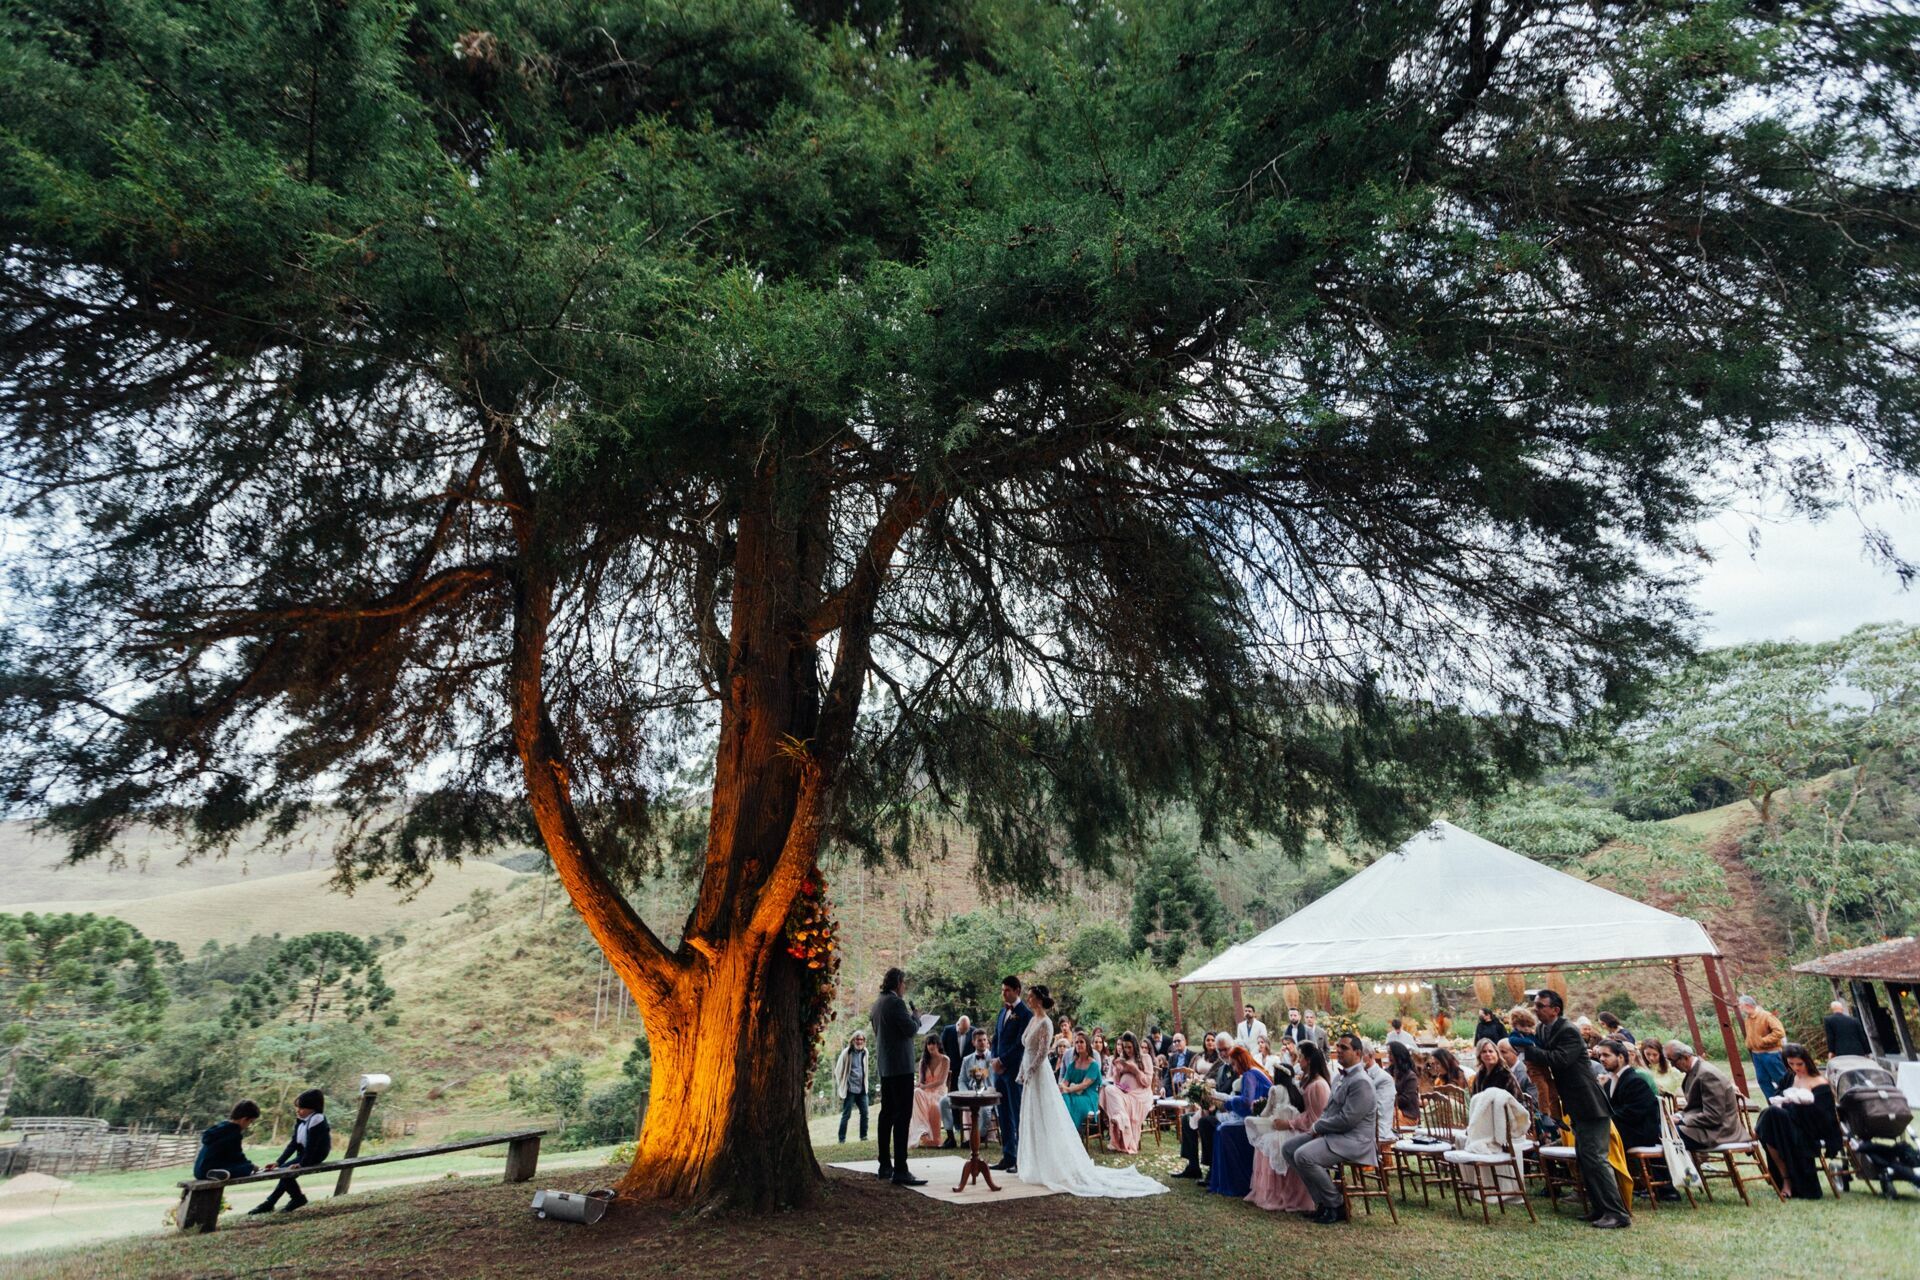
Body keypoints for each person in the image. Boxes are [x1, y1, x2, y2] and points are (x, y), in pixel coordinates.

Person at [1006, 984, 1168, 1198]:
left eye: (1031, 996)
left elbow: (1042, 1052)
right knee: (1031, 1114)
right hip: (1028, 1071)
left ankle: (1052, 1164)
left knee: (1044, 1113)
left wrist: (1030, 1071)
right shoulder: (1031, 1020)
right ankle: (1032, 1163)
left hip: (1038, 1073)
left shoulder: (1046, 1022)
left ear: (1039, 999)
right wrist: (1022, 1071)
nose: (1028, 999)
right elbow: (1026, 1048)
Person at [1523, 989, 1631, 1229]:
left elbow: (1559, 1059)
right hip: (1573, 1103)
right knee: (1584, 1158)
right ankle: (1599, 1208)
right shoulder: (1542, 1030)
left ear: (1555, 1010)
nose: (1536, 1010)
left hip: (1589, 1102)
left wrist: (1528, 1048)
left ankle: (1617, 1212)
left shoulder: (1568, 1030)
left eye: (1540, 1006)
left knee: (1596, 1159)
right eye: (1535, 1005)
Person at [1281, 1034, 1380, 1225]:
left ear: (1358, 1053)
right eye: (1338, 1047)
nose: (1339, 1051)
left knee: (1303, 1155)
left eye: (1344, 1048)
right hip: (1334, 1134)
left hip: (1355, 1140)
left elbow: (1348, 1120)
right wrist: (1319, 1127)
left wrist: (1318, 1126)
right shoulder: (1339, 1077)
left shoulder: (1361, 1081)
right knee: (1289, 1148)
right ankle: (1322, 1203)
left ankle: (1336, 1204)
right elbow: (1328, 1110)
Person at [1755, 1042, 1844, 1199]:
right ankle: (1786, 1179)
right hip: (1787, 1125)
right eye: (1791, 1064)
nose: (1796, 1068)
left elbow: (1824, 1118)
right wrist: (1785, 1102)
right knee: (1772, 1120)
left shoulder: (1819, 1083)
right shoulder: (1789, 1077)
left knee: (1772, 1117)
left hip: (1810, 1129)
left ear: (1807, 1061)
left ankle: (1755, 1133)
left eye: (1799, 1064)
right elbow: (1776, 1097)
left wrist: (1794, 1105)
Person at [1247, 1046, 1330, 1212]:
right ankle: (1280, 1193)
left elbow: (1314, 1119)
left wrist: (1288, 1124)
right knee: (1270, 1143)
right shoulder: (1307, 1082)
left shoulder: (1318, 1085)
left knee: (1283, 1146)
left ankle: (1291, 1195)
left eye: (1301, 1057)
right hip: (1304, 1128)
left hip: (1315, 1133)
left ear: (1309, 1061)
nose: (1298, 1061)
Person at [869, 966, 925, 1186]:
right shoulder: (896, 1003)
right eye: (904, 983)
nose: (905, 988)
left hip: (886, 1067)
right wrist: (917, 1018)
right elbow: (910, 1029)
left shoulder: (877, 1004)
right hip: (901, 1067)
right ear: (898, 983)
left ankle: (885, 1165)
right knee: (902, 1117)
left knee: (886, 1115)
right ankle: (901, 1168)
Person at [1598, 1040, 1672, 1203]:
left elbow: (1634, 1113)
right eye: (1600, 1055)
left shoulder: (1635, 1080)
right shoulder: (1610, 1081)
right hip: (1623, 1129)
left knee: (1597, 1146)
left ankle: (1611, 1192)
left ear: (1621, 1057)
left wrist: (1604, 1121)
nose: (1601, 1059)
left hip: (1640, 1133)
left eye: (1606, 1055)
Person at [1204, 1044, 1272, 1198]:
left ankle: (1234, 1182)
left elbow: (1247, 1102)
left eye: (1234, 1064)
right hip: (1258, 1117)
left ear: (1241, 1061)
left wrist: (1228, 1103)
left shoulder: (1250, 1074)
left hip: (1259, 1121)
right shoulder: (1255, 1072)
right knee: (1222, 1127)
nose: (1234, 1069)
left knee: (1223, 1130)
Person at [251, 1089, 330, 1214]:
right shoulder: (301, 1120)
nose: (298, 1111)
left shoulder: (317, 1119)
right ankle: (275, 1202)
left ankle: (292, 1199)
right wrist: (278, 1162)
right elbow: (293, 1144)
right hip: (304, 1154)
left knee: (285, 1172)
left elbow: (312, 1146)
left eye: (302, 1108)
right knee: (283, 1170)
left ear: (313, 1108)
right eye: (297, 1107)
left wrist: (302, 1164)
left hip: (315, 1154)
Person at [1666, 1040, 1745, 1153]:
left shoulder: (1707, 1074)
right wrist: (1678, 1116)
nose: (1672, 1065)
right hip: (1707, 1128)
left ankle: (1678, 1165)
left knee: (1662, 1134)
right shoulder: (1695, 1071)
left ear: (1685, 1057)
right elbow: (1696, 1107)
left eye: (1673, 1061)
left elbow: (1713, 1116)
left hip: (1719, 1131)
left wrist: (1681, 1121)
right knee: (1661, 1130)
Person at [989, 974, 1032, 1173]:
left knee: (1017, 1114)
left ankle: (1021, 1160)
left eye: (1007, 990)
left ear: (1017, 991)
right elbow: (996, 1039)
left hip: (1014, 1071)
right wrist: (994, 1059)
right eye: (1002, 990)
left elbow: (1020, 1045)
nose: (1004, 993)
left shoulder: (1025, 1014)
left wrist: (1003, 1061)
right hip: (999, 1072)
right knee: (1003, 1114)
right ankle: (1008, 1156)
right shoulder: (1002, 1012)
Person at [1101, 1032, 1156, 1153]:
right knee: (1108, 1089)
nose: (1127, 1050)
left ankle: (1122, 1121)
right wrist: (1117, 1071)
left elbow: (1147, 1082)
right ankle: (1122, 1118)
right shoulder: (1123, 1058)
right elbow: (1117, 1083)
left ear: (1135, 1046)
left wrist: (1135, 1070)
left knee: (1114, 1096)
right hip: (1124, 1092)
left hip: (1139, 1095)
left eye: (1129, 1047)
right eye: (1125, 1047)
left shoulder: (1145, 1058)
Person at [194, 1099, 261, 1183]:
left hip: (199, 1171)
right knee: (246, 1168)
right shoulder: (234, 1133)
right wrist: (251, 1166)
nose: (249, 1125)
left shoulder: (220, 1127)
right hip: (211, 1168)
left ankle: (215, 1173)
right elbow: (237, 1156)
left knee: (240, 1166)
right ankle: (217, 1173)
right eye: (250, 1121)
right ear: (244, 1120)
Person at [1739, 994, 1788, 1101]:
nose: (1740, 1008)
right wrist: (1749, 1043)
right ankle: (1773, 1104)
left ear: (1747, 1005)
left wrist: (1762, 1041)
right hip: (1757, 1055)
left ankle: (1790, 1103)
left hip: (1771, 1054)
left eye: (1741, 1006)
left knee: (1781, 1080)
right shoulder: (1748, 1019)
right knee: (1762, 1081)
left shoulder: (1766, 1016)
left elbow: (1779, 1032)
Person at [909, 1034, 950, 1148]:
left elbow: (941, 1081)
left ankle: (935, 1138)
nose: (931, 1046)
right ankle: (923, 1132)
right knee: (916, 1092)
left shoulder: (945, 1059)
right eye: (928, 1044)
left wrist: (924, 1087)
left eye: (933, 1043)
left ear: (938, 1045)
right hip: (926, 1091)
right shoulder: (923, 1061)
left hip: (940, 1092)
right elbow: (921, 1082)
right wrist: (916, 1086)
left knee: (933, 1105)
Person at [1060, 1031, 1104, 1134]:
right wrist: (1061, 1087)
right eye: (1076, 1042)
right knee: (1062, 1098)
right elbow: (1065, 1082)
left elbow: (1084, 1085)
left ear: (1087, 1044)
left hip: (1088, 1097)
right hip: (1072, 1093)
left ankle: (1071, 1132)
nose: (1079, 1044)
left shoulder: (1093, 1065)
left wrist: (1067, 1089)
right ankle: (1067, 1132)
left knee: (1071, 1101)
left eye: (1081, 1042)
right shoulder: (1072, 1065)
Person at [834, 1031, 873, 1143]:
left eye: (861, 1039)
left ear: (864, 1041)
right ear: (853, 1040)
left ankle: (863, 1137)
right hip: (850, 1089)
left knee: (865, 1113)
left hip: (862, 1089)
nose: (859, 1042)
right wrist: (842, 1084)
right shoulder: (847, 1053)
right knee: (846, 1115)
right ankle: (841, 1139)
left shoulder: (865, 1052)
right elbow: (837, 1071)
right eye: (857, 1039)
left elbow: (865, 1070)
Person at [1497, 1038, 1539, 1111]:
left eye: (1503, 1052)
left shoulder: (1528, 1074)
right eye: (1498, 1052)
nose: (1499, 1056)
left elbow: (1533, 1103)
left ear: (1516, 1053)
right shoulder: (1497, 1072)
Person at [1386, 1038, 1421, 1126]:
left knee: (1385, 1119)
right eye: (1388, 1053)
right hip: (1392, 1110)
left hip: (1407, 1114)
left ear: (1398, 1055)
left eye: (1391, 1054)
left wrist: (1386, 1100)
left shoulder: (1410, 1076)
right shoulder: (1388, 1072)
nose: (1388, 1056)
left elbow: (1406, 1099)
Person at [941, 1015, 972, 1092]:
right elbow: (942, 1047)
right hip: (952, 1068)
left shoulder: (973, 1031)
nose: (965, 1032)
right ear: (958, 1024)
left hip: (967, 1069)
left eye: (966, 1029)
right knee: (952, 1092)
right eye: (963, 1029)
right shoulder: (948, 1030)